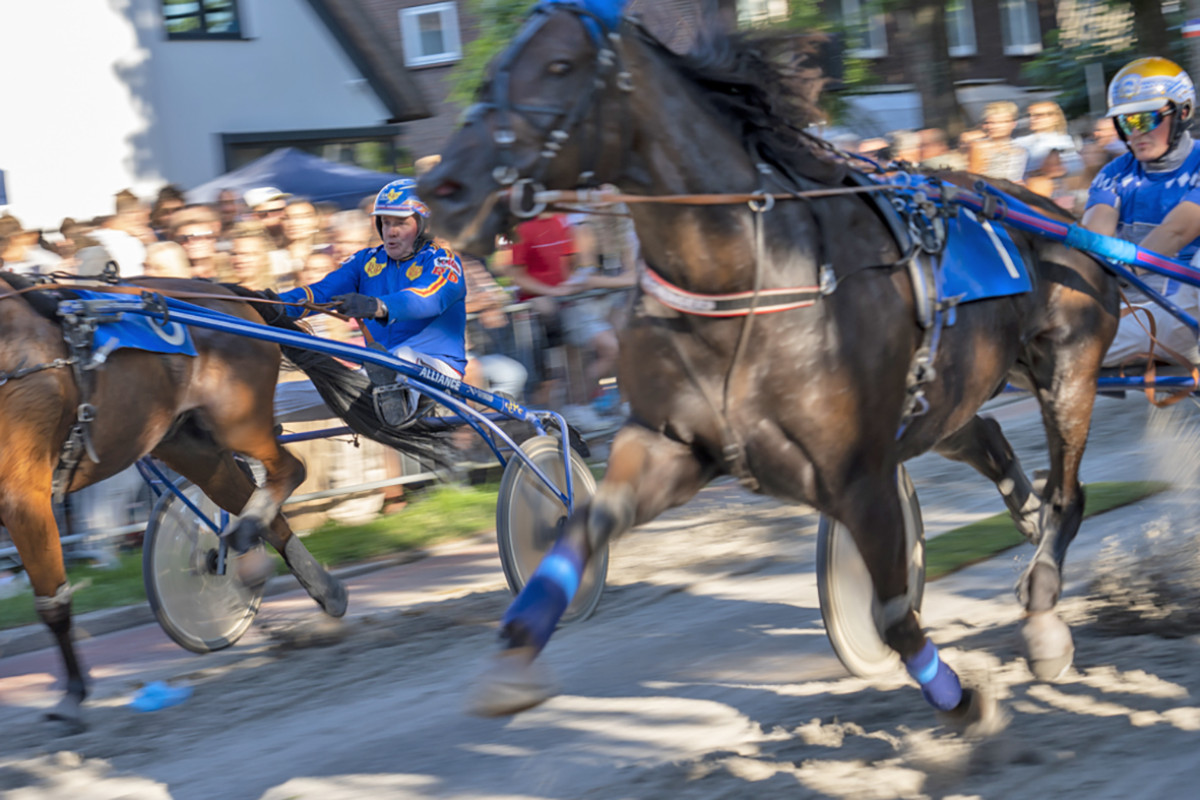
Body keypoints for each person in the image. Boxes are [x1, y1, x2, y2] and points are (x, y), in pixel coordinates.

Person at [275, 179, 466, 424]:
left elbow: (428, 298)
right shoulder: (364, 261)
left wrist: (377, 306)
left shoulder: (442, 260)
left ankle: (395, 398)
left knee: (402, 357)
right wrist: (267, 305)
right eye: (385, 222)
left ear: (422, 225)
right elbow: (321, 292)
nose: (391, 231)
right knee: (269, 399)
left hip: (438, 372)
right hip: (376, 376)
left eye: (401, 223)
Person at [1082, 57, 1200, 366]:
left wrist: (1119, 276)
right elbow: (1093, 240)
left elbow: (1174, 232)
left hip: (1185, 312)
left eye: (1145, 119)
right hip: (1133, 313)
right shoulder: (1116, 172)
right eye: (1124, 122)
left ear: (1183, 112)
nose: (1134, 132)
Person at [1015, 101, 1082, 203]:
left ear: (1055, 118)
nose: (1032, 119)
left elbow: (1073, 172)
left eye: (1039, 115)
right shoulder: (1020, 142)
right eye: (1029, 115)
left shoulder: (1066, 143)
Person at [968, 101, 1028, 182]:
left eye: (1000, 122)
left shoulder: (1020, 149)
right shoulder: (980, 147)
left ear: (1013, 124)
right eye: (990, 123)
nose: (993, 127)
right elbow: (974, 178)